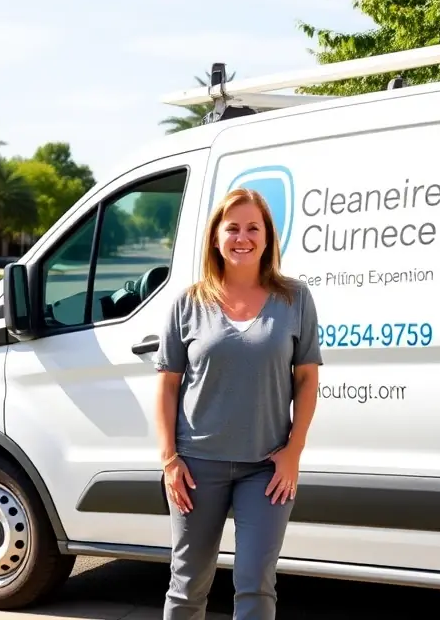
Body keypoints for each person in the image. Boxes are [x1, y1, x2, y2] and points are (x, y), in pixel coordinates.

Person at [154, 187, 322, 620]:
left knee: (255, 583)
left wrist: (293, 453)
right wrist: (170, 460)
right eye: (233, 228)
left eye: (253, 228)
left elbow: (306, 380)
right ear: (215, 237)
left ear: (267, 238)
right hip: (195, 466)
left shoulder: (295, 299)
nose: (242, 237)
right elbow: (167, 387)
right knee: (188, 582)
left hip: (266, 469)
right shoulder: (188, 303)